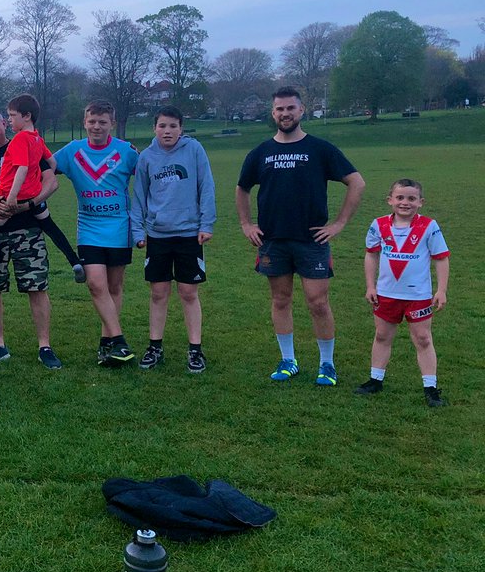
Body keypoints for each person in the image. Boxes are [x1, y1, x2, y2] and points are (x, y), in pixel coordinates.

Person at [236, 86, 365, 386]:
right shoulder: (261, 152)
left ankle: (327, 364)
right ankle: (288, 360)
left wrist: (339, 223)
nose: (285, 114)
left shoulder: (320, 149)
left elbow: (357, 182)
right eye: (280, 109)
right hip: (273, 240)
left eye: (290, 108)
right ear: (273, 113)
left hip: (312, 240)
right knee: (280, 300)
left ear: (301, 110)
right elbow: (242, 188)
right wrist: (246, 224)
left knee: (318, 302)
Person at [0, 108, 62, 369]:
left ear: (4, 123)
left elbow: (51, 181)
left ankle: (45, 347)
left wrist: (27, 204)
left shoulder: (25, 145)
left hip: (27, 231)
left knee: (36, 287)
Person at [52, 100, 140, 367]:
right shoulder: (72, 151)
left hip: (119, 227)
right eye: (92, 121)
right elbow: (38, 164)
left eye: (103, 122)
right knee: (95, 285)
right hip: (89, 228)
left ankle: (107, 342)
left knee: (114, 287)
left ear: (112, 123)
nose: (97, 127)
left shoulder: (126, 152)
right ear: (84, 123)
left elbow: (152, 175)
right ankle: (120, 341)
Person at [132, 106, 216, 374]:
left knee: (188, 293)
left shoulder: (194, 150)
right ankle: (155, 347)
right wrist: (137, 232)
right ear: (154, 128)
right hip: (158, 235)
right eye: (162, 126)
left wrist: (206, 224)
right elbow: (139, 196)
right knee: (158, 293)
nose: (167, 131)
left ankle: (195, 350)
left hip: (189, 234)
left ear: (181, 128)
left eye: (172, 126)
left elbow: (206, 186)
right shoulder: (146, 157)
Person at [355, 178, 450, 407]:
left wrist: (441, 290)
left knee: (423, 339)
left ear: (421, 202)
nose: (405, 202)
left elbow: (441, 258)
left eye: (411, 198)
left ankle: (430, 388)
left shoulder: (429, 226)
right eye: (399, 197)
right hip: (386, 294)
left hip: (418, 296)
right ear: (390, 200)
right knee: (382, 336)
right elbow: (371, 255)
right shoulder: (378, 224)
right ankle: (375, 380)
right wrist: (370, 286)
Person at [0, 93, 81, 290]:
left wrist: (12, 197)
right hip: (33, 196)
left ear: (26, 116)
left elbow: (22, 168)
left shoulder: (19, 140)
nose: (10, 119)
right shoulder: (37, 139)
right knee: (49, 225)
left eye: (12, 115)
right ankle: (74, 261)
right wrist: (38, 182)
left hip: (13, 196)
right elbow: (52, 163)